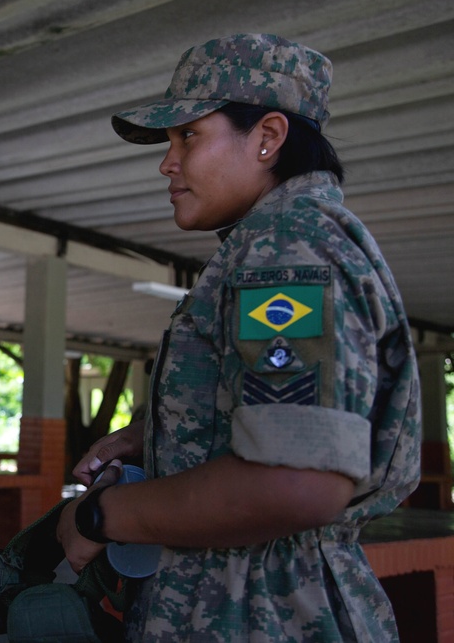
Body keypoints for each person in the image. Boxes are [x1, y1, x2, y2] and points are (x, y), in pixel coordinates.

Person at [57, 34, 421, 641]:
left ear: (268, 137)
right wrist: (166, 437)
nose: (166, 163)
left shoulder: (285, 248)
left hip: (262, 613)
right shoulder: (279, 242)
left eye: (189, 136)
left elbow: (293, 482)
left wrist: (99, 515)